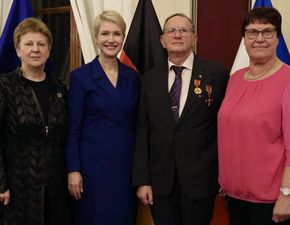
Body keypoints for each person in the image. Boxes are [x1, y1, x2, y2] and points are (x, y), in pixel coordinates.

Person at [132, 13, 229, 225]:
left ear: (195, 38)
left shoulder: (217, 74)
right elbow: (142, 129)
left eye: (184, 30)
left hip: (201, 180)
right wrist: (142, 181)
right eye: (171, 31)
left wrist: (226, 173)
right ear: (162, 40)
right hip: (160, 183)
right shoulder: (149, 79)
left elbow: (225, 128)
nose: (177, 35)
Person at [66, 10, 139, 225]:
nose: (111, 39)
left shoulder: (133, 77)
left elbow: (138, 124)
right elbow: (73, 129)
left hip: (125, 168)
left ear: (123, 38)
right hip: (91, 169)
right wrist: (73, 169)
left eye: (117, 34)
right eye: (105, 33)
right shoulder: (80, 77)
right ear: (96, 37)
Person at [218, 7, 290, 225]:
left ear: (278, 38)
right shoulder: (236, 78)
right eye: (252, 32)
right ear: (244, 38)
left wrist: (286, 195)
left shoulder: (287, 79)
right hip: (234, 196)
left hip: (270, 201)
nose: (259, 38)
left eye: (267, 31)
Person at [0, 18, 71, 225]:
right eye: (28, 44)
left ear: (48, 50)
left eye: (41, 44)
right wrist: (1, 183)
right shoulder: (4, 86)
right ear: (17, 50)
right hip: (17, 188)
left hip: (56, 189)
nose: (35, 49)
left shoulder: (59, 88)